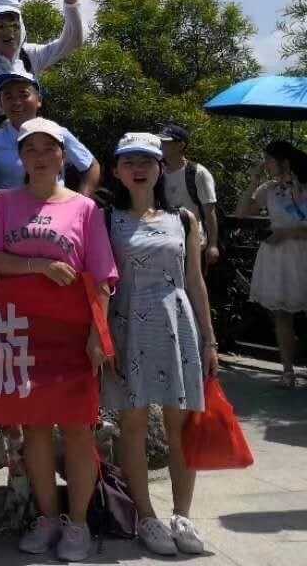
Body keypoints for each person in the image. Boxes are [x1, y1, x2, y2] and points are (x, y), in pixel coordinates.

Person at [0, 118, 116, 563]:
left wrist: (99, 335)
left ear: (63, 155)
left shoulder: (84, 208)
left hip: (74, 332)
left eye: (48, 149)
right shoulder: (2, 201)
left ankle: (77, 523)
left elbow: (103, 278)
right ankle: (47, 517)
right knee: (35, 428)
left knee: (77, 429)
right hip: (21, 331)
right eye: (30, 149)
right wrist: (38, 267)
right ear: (21, 157)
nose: (39, 157)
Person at [101, 133, 216, 557]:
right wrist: (101, 336)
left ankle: (182, 514)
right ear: (116, 170)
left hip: (177, 323)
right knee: (132, 425)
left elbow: (195, 279)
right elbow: (98, 282)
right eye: (128, 160)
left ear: (160, 167)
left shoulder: (184, 219)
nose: (138, 167)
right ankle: (147, 516)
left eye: (146, 160)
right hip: (127, 324)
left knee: (180, 425)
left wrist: (209, 338)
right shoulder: (105, 218)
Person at [238, 141, 307, 388]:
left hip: (301, 253)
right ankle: (287, 371)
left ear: (283, 162)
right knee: (282, 314)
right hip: (278, 257)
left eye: (268, 159)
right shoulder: (268, 189)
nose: (265, 164)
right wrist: (253, 182)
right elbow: (241, 213)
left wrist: (288, 232)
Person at [0, 72, 100, 196]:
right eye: (8, 96)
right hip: (12, 219)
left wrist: (81, 205)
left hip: (58, 216)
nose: (16, 102)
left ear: (39, 100)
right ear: (1, 104)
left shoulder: (59, 133)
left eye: (24, 95)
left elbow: (91, 166)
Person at [158, 123, 221, 267]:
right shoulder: (157, 172)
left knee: (191, 284)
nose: (161, 146)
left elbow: (209, 212)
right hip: (164, 239)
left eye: (166, 142)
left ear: (181, 145)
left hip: (193, 241)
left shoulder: (198, 173)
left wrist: (213, 245)